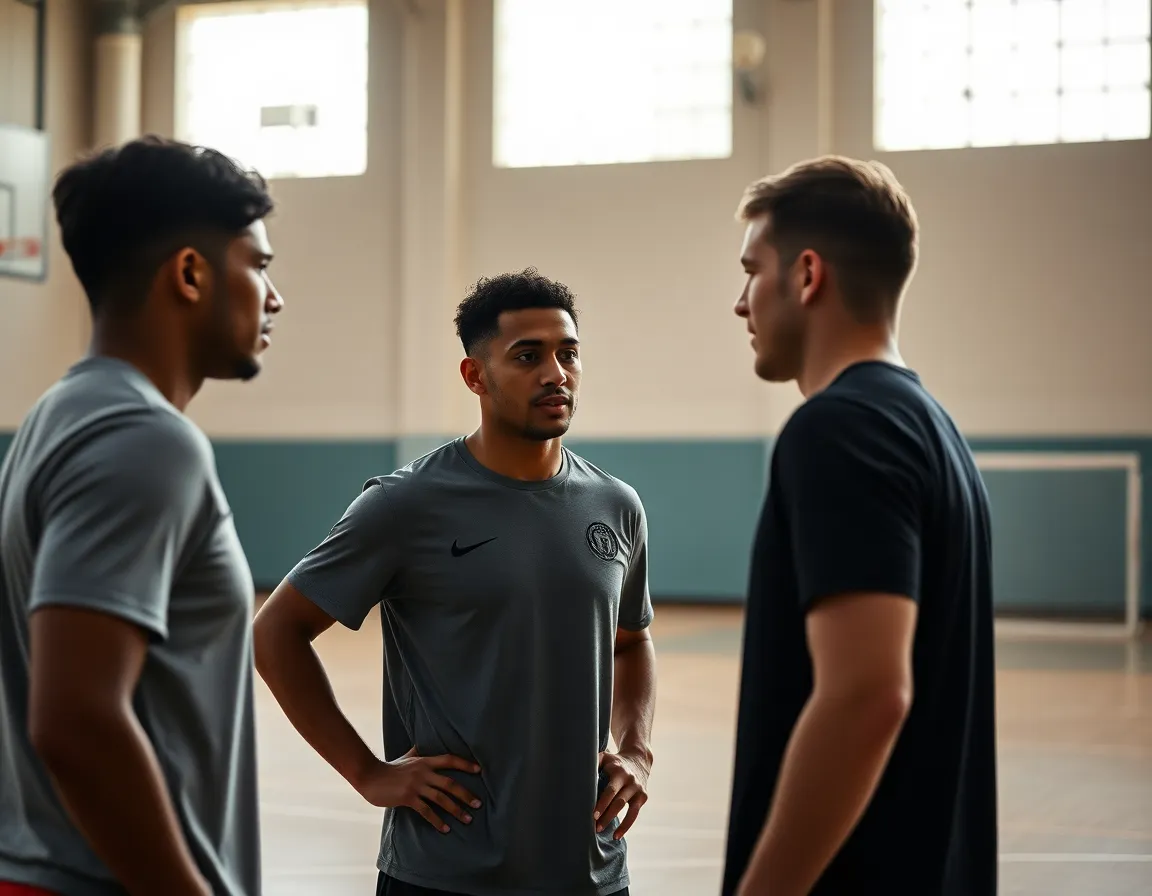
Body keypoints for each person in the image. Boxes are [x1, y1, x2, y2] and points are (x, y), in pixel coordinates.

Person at [253, 268, 656, 896]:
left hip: (592, 871)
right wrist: (366, 772)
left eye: (568, 353)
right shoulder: (405, 504)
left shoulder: (616, 504)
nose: (557, 373)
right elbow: (276, 632)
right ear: (475, 376)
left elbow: (632, 642)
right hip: (444, 872)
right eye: (529, 356)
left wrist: (636, 750)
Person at [0, 136, 284, 896]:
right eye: (257, 265)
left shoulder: (57, 416)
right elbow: (75, 719)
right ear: (190, 274)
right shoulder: (146, 441)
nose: (274, 296)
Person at [720, 156, 997, 896]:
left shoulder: (839, 431)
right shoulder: (933, 429)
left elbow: (868, 694)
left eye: (752, 270)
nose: (741, 303)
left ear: (807, 275)